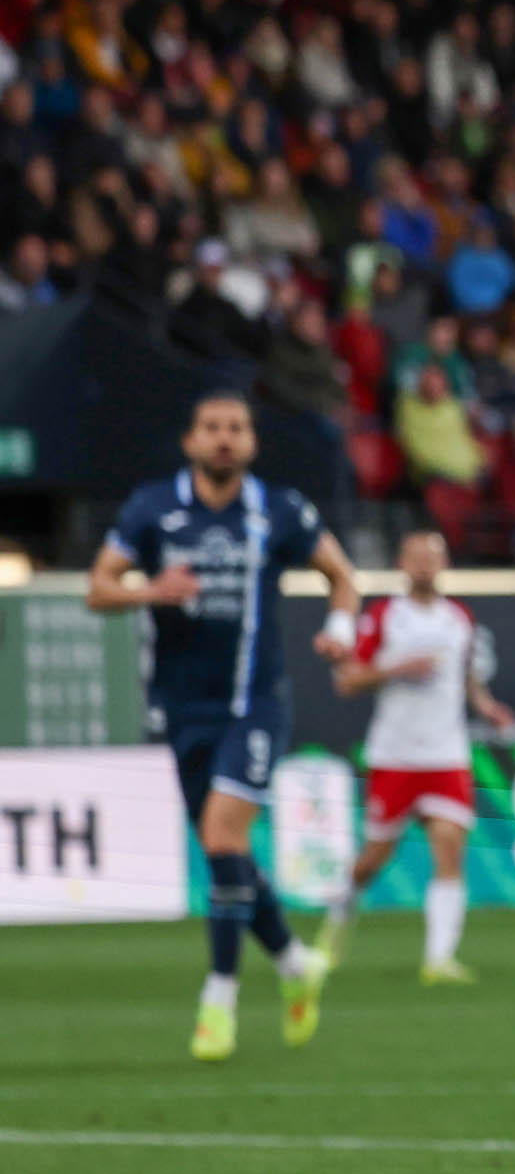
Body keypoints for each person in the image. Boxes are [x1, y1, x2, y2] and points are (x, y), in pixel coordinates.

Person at [84, 391, 362, 1061]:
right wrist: (151, 591)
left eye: (236, 428)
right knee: (224, 852)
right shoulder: (153, 507)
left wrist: (341, 628)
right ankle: (295, 964)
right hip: (183, 711)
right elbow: (98, 588)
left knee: (221, 834)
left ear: (252, 443)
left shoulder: (280, 509)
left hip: (255, 704)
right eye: (212, 427)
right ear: (191, 440)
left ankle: (219, 1001)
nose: (224, 438)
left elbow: (342, 576)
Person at [318, 531, 515, 982]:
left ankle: (439, 958)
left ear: (445, 564)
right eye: (416, 557)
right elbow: (347, 681)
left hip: (447, 754)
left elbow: (467, 678)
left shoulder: (459, 619)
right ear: (401, 564)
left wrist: (486, 706)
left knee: (449, 847)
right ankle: (339, 917)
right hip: (396, 756)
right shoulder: (384, 616)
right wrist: (396, 669)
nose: (425, 565)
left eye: (433, 557)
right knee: (373, 859)